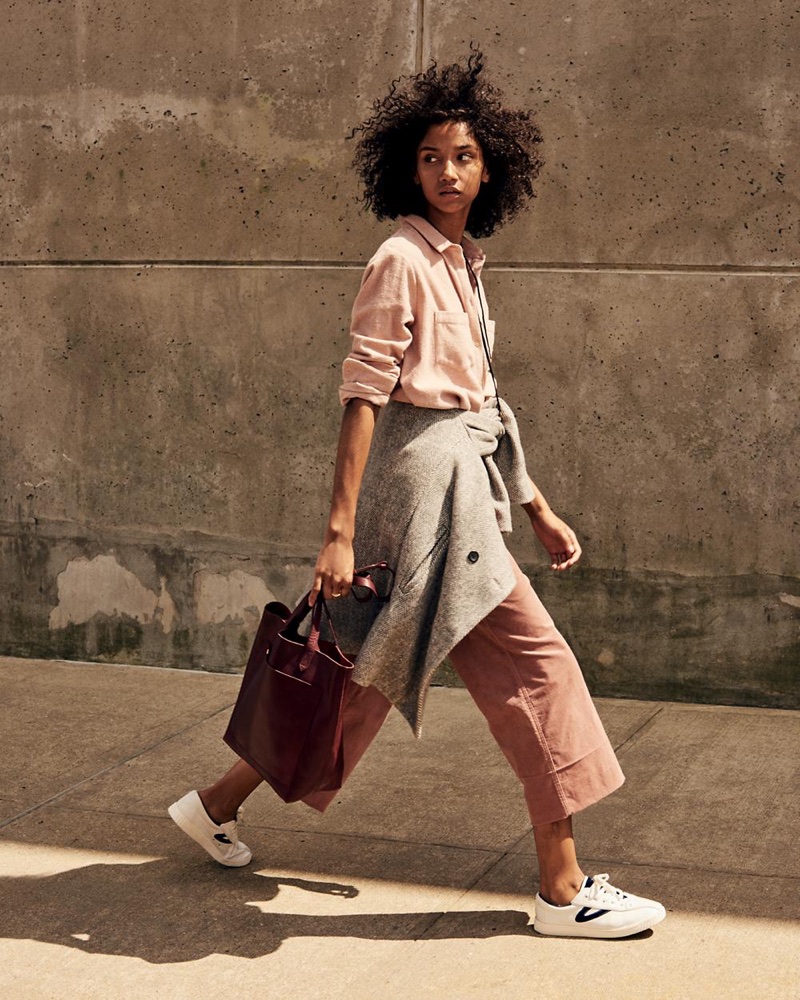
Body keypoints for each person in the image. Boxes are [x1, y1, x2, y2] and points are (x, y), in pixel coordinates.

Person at [168, 50, 666, 940]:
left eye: (464, 157)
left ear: (490, 169)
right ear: (409, 165)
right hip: (424, 496)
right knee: (535, 667)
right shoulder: (400, 258)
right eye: (432, 157)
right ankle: (563, 889)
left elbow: (483, 403)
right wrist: (337, 530)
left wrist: (538, 503)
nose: (447, 172)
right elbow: (363, 396)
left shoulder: (462, 264)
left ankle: (214, 805)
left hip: (462, 487)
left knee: (362, 669)